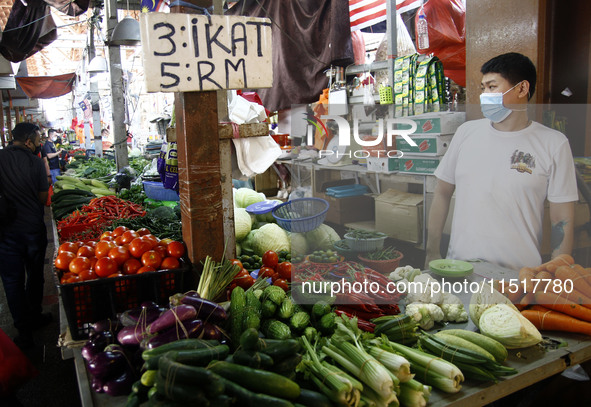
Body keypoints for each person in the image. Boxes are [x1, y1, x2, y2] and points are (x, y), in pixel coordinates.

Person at [425, 52, 578, 271]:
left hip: (520, 276)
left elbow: (562, 220)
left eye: (492, 87)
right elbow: (442, 192)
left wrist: (555, 272)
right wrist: (431, 251)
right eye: (483, 88)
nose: (485, 94)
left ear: (522, 89)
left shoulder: (553, 144)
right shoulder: (466, 133)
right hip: (459, 269)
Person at [0, 122, 52, 349]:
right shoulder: (35, 162)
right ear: (29, 141)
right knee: (34, 275)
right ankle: (35, 315)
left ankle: (23, 331)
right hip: (31, 229)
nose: (40, 142)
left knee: (12, 281)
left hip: (5, 232)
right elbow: (43, 198)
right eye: (39, 138)